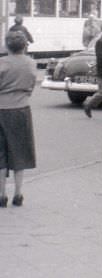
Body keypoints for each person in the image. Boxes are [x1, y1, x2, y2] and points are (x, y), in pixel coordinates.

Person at [0, 32, 37, 207]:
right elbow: (30, 88)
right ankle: (18, 194)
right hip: (21, 110)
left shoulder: (1, 63)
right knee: (19, 152)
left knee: (1, 153)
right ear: (24, 46)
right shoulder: (31, 63)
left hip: (1, 110)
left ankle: (1, 195)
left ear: (7, 46)